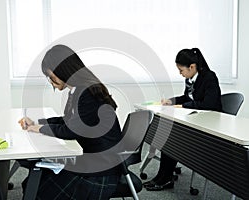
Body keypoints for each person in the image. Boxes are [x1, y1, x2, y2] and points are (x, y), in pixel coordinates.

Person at [19, 44, 122, 199]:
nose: (50, 81)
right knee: (34, 182)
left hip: (99, 172)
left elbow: (71, 130)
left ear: (62, 69)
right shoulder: (79, 90)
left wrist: (39, 128)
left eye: (50, 76)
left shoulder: (86, 92)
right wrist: (38, 123)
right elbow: (68, 121)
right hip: (93, 161)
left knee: (36, 186)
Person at [144, 48, 222, 191]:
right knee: (169, 135)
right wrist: (171, 101)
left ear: (192, 67)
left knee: (173, 137)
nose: (181, 74)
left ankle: (165, 178)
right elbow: (188, 97)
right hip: (196, 120)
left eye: (181, 70)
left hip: (209, 125)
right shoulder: (190, 79)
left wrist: (182, 105)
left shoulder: (209, 77)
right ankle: (162, 177)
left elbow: (207, 105)